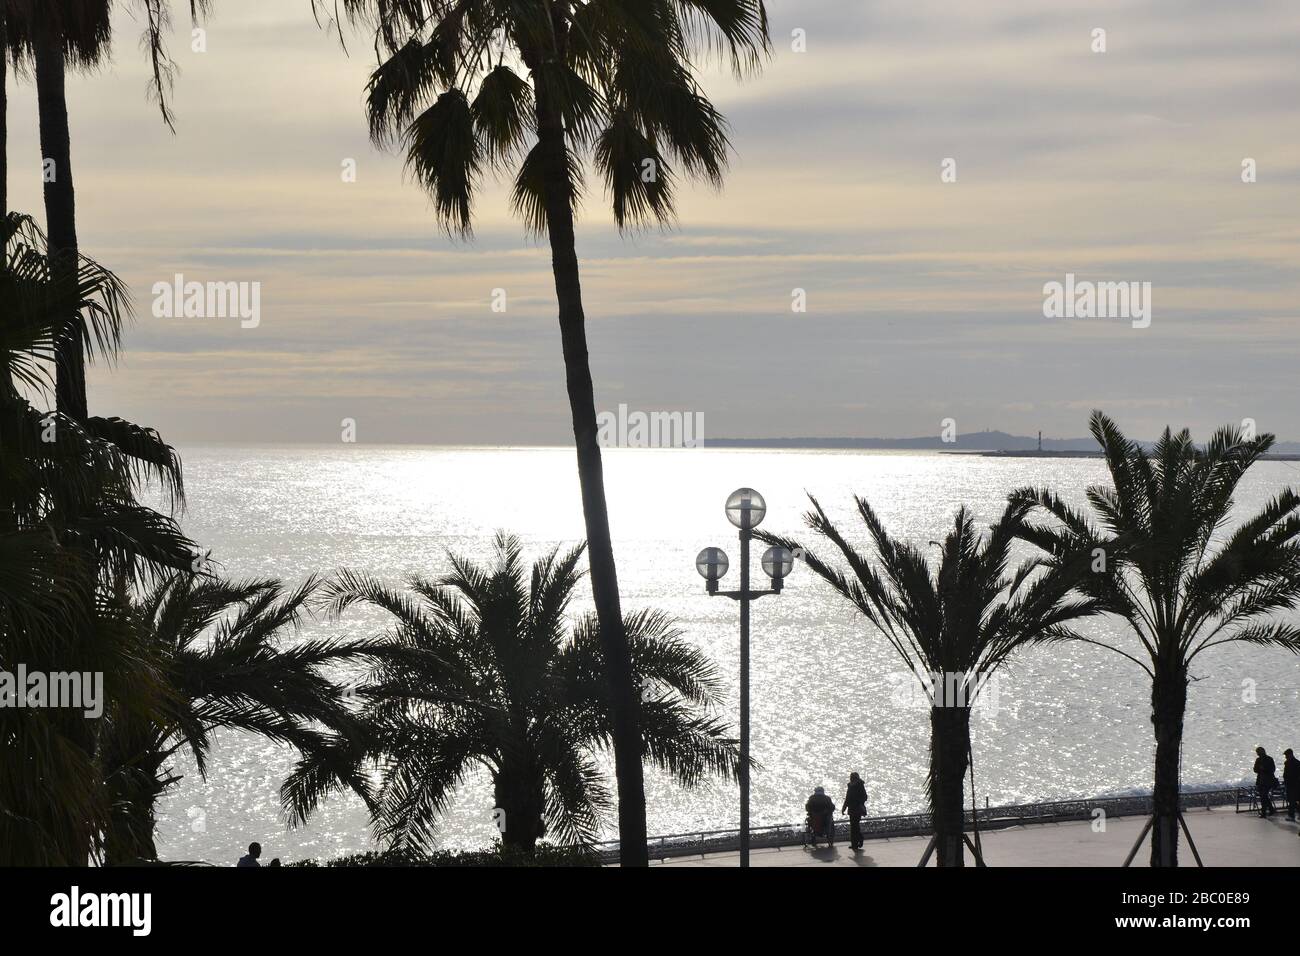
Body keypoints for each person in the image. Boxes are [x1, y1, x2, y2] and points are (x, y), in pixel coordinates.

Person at [841, 772, 869, 850]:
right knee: (854, 826)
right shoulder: (851, 786)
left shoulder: (859, 785)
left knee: (854, 826)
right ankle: (855, 843)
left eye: (851, 777)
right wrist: (844, 808)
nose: (850, 778)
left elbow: (864, 797)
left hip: (856, 808)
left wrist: (857, 802)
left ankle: (857, 841)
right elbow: (847, 798)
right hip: (853, 809)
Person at [1253, 747, 1277, 818]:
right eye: (1257, 752)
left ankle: (1264, 812)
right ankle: (1271, 809)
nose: (1258, 754)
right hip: (1260, 781)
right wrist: (1259, 768)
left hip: (1268, 781)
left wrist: (1264, 769)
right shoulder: (1258, 760)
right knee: (1264, 796)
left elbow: (1273, 769)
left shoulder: (1269, 759)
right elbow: (1255, 769)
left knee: (1263, 796)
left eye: (1259, 752)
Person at [1283, 749, 1300, 822]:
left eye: (1286, 755)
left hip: (1292, 784)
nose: (1285, 757)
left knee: (1292, 801)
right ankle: (1295, 814)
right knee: (1295, 800)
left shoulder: (1290, 763)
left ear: (1290, 754)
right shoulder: (1297, 762)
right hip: (1295, 784)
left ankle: (1291, 815)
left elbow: (1287, 774)